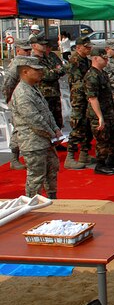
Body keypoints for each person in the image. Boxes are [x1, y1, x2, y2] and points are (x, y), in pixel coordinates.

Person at [11, 57, 62, 198]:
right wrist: (53, 135)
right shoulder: (22, 93)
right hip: (33, 142)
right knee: (36, 177)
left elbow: (46, 112)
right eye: (37, 70)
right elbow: (35, 120)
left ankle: (52, 200)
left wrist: (56, 129)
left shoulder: (33, 88)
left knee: (52, 170)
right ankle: (32, 204)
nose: (41, 72)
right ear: (25, 72)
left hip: (45, 140)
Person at [84, 46, 114, 175]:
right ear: (96, 58)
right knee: (103, 139)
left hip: (109, 111)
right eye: (104, 58)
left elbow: (108, 94)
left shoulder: (102, 73)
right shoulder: (91, 76)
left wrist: (113, 111)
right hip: (99, 113)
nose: (106, 60)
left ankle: (112, 159)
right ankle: (100, 164)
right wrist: (100, 117)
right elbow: (92, 98)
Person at [2, 40, 35, 171]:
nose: (28, 52)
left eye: (29, 50)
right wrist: (10, 100)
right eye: (25, 50)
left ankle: (28, 156)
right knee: (19, 129)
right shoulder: (16, 64)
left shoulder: (30, 62)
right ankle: (14, 158)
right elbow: (7, 85)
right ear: (18, 50)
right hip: (18, 101)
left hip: (29, 100)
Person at [65, 37, 95, 169]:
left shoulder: (86, 61)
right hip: (79, 99)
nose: (89, 49)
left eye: (89, 47)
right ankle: (70, 156)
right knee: (78, 126)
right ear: (78, 47)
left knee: (88, 126)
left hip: (87, 97)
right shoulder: (74, 61)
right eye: (86, 47)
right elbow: (77, 82)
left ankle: (84, 153)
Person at [30, 36, 65, 134]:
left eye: (45, 44)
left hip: (55, 93)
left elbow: (62, 70)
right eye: (41, 44)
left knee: (57, 121)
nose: (44, 46)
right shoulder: (33, 60)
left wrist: (54, 71)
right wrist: (55, 71)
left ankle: (57, 139)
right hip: (43, 94)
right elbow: (47, 75)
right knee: (46, 121)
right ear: (34, 46)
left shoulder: (50, 57)